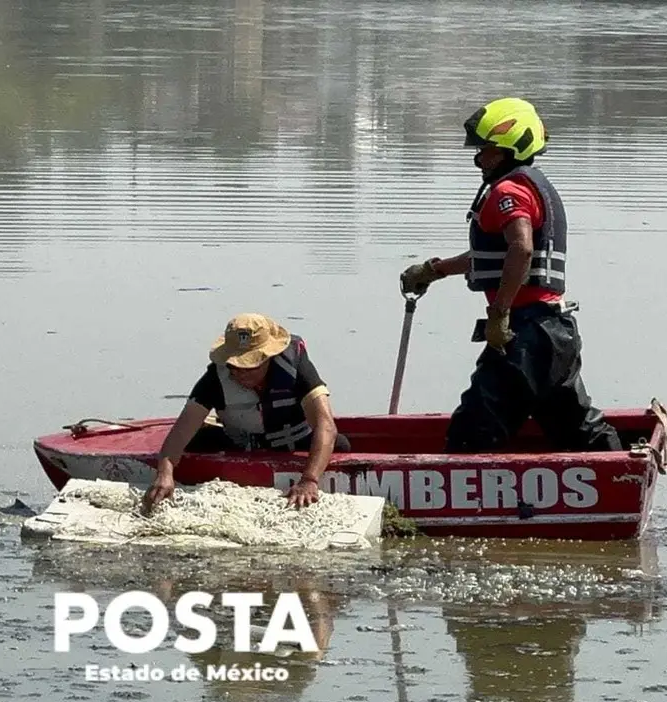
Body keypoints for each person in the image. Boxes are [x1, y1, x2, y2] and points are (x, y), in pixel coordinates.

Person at [399, 97, 622, 454]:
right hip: (555, 333)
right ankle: (622, 473)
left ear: (508, 150)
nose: (478, 159)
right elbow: (496, 257)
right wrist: (434, 270)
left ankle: (459, 503)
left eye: (486, 150)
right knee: (574, 427)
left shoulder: (508, 191)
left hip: (525, 335)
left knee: (473, 432)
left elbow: (520, 249)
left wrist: (499, 313)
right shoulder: (533, 185)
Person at [140, 313, 350, 514]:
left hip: (296, 441)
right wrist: (165, 473)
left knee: (340, 445)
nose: (241, 372)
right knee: (193, 442)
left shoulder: (294, 364)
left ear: (269, 356)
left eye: (251, 365)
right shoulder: (215, 377)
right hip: (239, 443)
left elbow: (326, 426)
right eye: (236, 366)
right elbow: (181, 430)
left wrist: (309, 480)